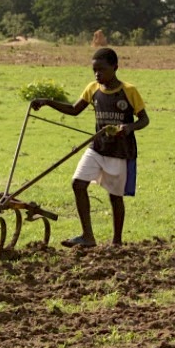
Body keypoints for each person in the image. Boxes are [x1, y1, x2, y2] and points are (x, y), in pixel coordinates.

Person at [31, 47, 149, 247]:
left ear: (115, 68)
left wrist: (129, 127)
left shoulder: (129, 91)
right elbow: (74, 110)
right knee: (78, 183)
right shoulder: (92, 88)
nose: (97, 74)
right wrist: (47, 102)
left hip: (119, 151)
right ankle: (88, 236)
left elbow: (144, 120)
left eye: (101, 70)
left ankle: (117, 242)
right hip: (97, 147)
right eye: (94, 70)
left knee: (115, 197)